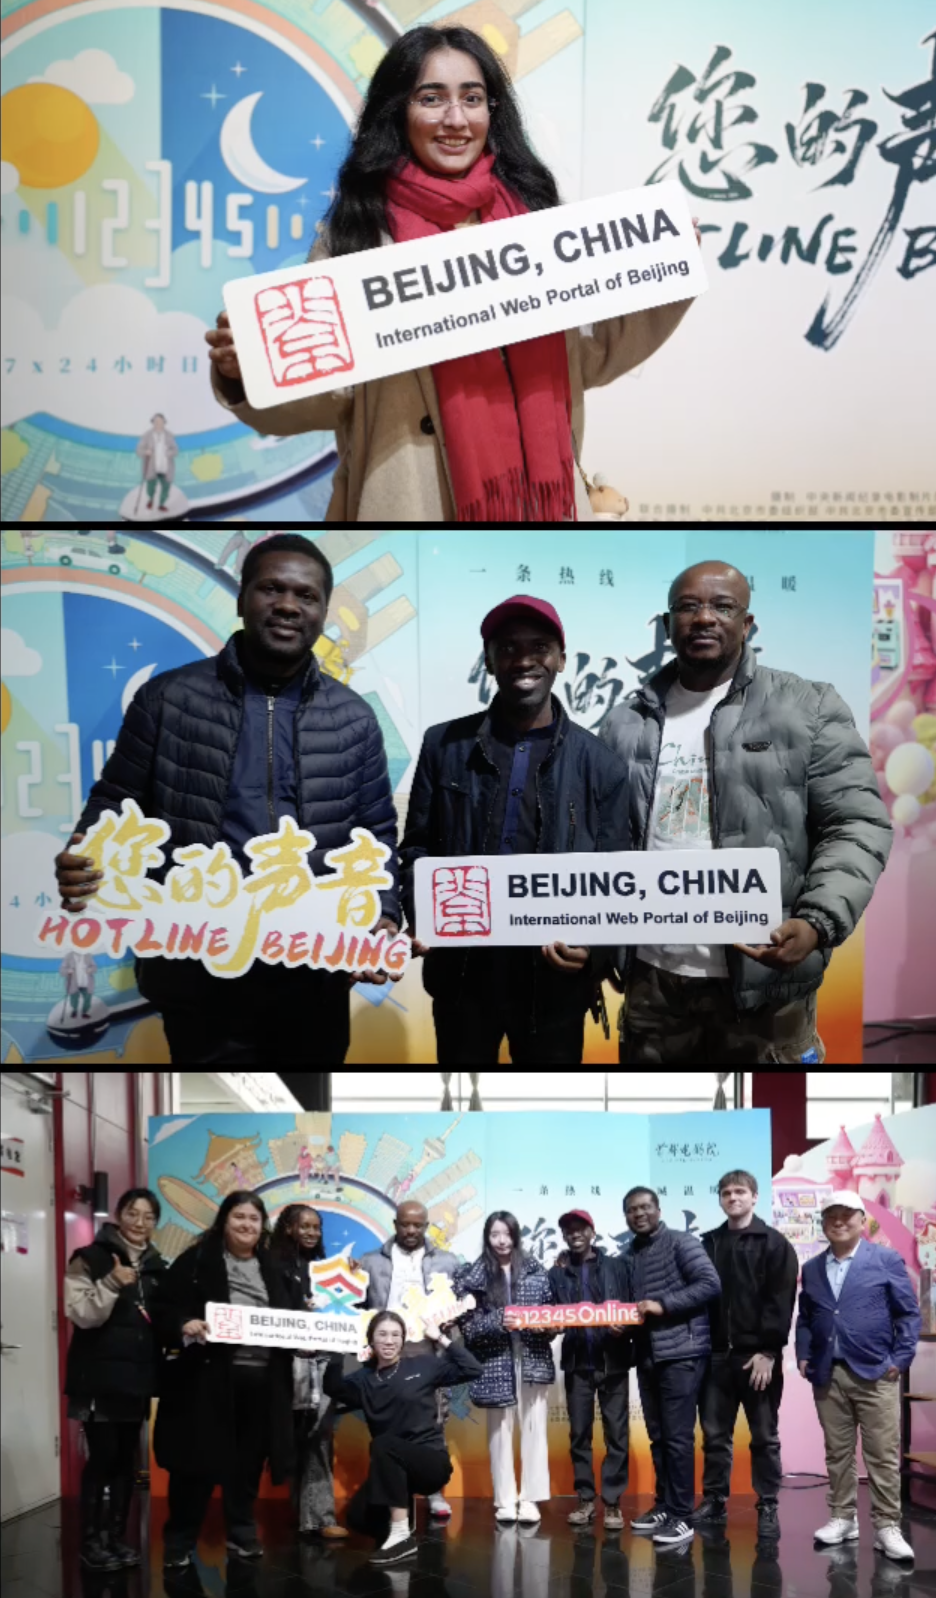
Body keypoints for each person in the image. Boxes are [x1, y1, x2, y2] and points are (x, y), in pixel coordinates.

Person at [204, 27, 687, 521]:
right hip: (408, 504)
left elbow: (589, 356)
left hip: (540, 511)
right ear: (399, 110)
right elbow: (330, 395)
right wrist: (249, 368)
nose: (455, 119)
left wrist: (669, 268)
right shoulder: (358, 235)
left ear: (492, 111)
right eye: (431, 98)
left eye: (472, 99)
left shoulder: (537, 222)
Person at [51, 535, 401, 1061]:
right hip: (197, 977)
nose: (288, 605)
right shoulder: (168, 698)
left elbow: (376, 833)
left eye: (306, 596)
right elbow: (116, 801)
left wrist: (384, 913)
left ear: (324, 613)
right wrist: (86, 856)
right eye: (271, 588)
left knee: (306, 1102)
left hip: (315, 976)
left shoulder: (353, 717)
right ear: (241, 599)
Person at [596, 561, 892, 1061]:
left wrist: (817, 921)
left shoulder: (808, 707)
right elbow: (602, 840)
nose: (704, 617)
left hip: (766, 979)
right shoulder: (625, 722)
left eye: (723, 606)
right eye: (688, 607)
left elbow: (857, 823)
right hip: (654, 982)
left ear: (747, 624)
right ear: (667, 624)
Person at [397, 595, 638, 1061]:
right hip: (462, 976)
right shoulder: (443, 745)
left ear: (561, 659)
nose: (524, 659)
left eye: (540, 647)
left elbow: (617, 876)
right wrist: (422, 911)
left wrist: (596, 950)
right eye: (507, 647)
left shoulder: (601, 764)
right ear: (488, 661)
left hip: (555, 984)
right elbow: (417, 847)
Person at [146, 1190, 302, 1568]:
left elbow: (294, 1315)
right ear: (224, 1221)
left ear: (263, 1226)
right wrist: (184, 1323)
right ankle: (180, 1539)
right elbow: (162, 1305)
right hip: (207, 1380)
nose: (247, 1225)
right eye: (239, 1217)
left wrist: (305, 1329)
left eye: (254, 1219)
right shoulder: (197, 1260)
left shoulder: (276, 1266)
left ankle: (242, 1532)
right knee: (195, 1463)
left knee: (248, 1463)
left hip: (263, 1381)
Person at [799, 1190, 919, 1559]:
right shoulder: (812, 1268)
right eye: (831, 1215)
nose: (838, 1221)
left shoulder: (885, 1259)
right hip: (827, 1373)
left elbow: (907, 1313)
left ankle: (886, 1526)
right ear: (823, 1222)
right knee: (837, 1452)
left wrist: (901, 1357)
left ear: (862, 1221)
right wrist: (803, 1354)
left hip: (876, 1372)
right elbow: (806, 1317)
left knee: (881, 1454)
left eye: (847, 1214)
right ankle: (842, 1518)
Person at [323, 1312, 483, 1563]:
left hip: (430, 1463)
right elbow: (332, 1388)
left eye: (395, 1335)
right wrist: (335, 1350)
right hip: (394, 1469)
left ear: (403, 1339)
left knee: (384, 1444)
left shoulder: (422, 1365)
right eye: (382, 1334)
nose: (389, 1340)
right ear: (371, 1340)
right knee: (357, 1517)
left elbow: (473, 1369)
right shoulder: (365, 1379)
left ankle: (401, 1538)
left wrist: (440, 1338)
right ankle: (399, 1529)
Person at [64, 1189, 162, 1572]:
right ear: (119, 1215)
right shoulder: (89, 1258)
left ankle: (116, 1539)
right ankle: (91, 1542)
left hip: (137, 1379)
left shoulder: (157, 1266)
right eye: (133, 1213)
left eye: (149, 1216)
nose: (140, 1222)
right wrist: (111, 1282)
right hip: (98, 1379)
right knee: (102, 1458)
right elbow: (81, 1313)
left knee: (126, 1461)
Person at [621, 1184, 719, 1548]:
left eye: (645, 1207)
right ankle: (665, 1505)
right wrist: (621, 1322)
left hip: (683, 1352)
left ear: (658, 1209)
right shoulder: (630, 1254)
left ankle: (681, 1515)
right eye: (632, 1210)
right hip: (647, 1354)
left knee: (678, 1438)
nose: (639, 1214)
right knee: (659, 1437)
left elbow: (710, 1284)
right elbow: (636, 1307)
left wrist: (663, 1304)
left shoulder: (681, 1242)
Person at [699, 1168, 796, 1534]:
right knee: (714, 1437)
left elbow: (781, 1300)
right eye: (726, 1193)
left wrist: (769, 1352)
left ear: (755, 1197)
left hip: (758, 1359)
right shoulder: (708, 1243)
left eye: (740, 1191)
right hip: (714, 1358)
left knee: (764, 1437)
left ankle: (768, 1504)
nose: (733, 1197)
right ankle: (714, 1501)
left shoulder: (774, 1243)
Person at [353, 1199, 465, 1517]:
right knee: (387, 1424)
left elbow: (461, 1305)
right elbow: (357, 1307)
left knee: (433, 1422)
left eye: (418, 1224)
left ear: (426, 1226)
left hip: (428, 1351)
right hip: (387, 1352)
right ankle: (394, 1495)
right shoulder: (370, 1261)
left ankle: (434, 1493)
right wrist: (348, 1277)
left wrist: (449, 1324)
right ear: (395, 1224)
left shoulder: (448, 1261)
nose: (411, 1230)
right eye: (405, 1224)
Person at [451, 1211, 556, 1522]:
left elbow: (550, 1314)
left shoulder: (536, 1271)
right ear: (487, 1237)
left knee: (535, 1428)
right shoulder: (473, 1277)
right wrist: (501, 1318)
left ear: (516, 1236)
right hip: (495, 1361)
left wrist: (549, 1327)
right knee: (499, 1432)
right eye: (495, 1234)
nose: (501, 1241)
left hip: (532, 1358)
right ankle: (505, 1501)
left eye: (507, 1234)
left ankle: (531, 1499)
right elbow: (469, 1329)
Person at [545, 1209, 635, 1530]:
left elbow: (633, 1307)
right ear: (564, 1236)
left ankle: (612, 1503)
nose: (575, 1234)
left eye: (580, 1228)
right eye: (569, 1230)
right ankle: (585, 1499)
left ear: (592, 1232)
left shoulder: (617, 1266)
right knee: (579, 1434)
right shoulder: (556, 1274)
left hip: (613, 1361)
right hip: (577, 1363)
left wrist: (625, 1327)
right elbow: (550, 1316)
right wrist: (551, 1328)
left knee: (617, 1435)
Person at [264, 1204, 347, 1542]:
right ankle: (303, 1513)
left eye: (316, 1227)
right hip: (286, 1364)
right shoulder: (271, 1265)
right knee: (289, 1437)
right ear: (288, 1228)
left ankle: (319, 1516)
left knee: (319, 1436)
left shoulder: (324, 1269)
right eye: (305, 1226)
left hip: (325, 1361)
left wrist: (349, 1278)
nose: (312, 1233)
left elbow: (347, 1305)